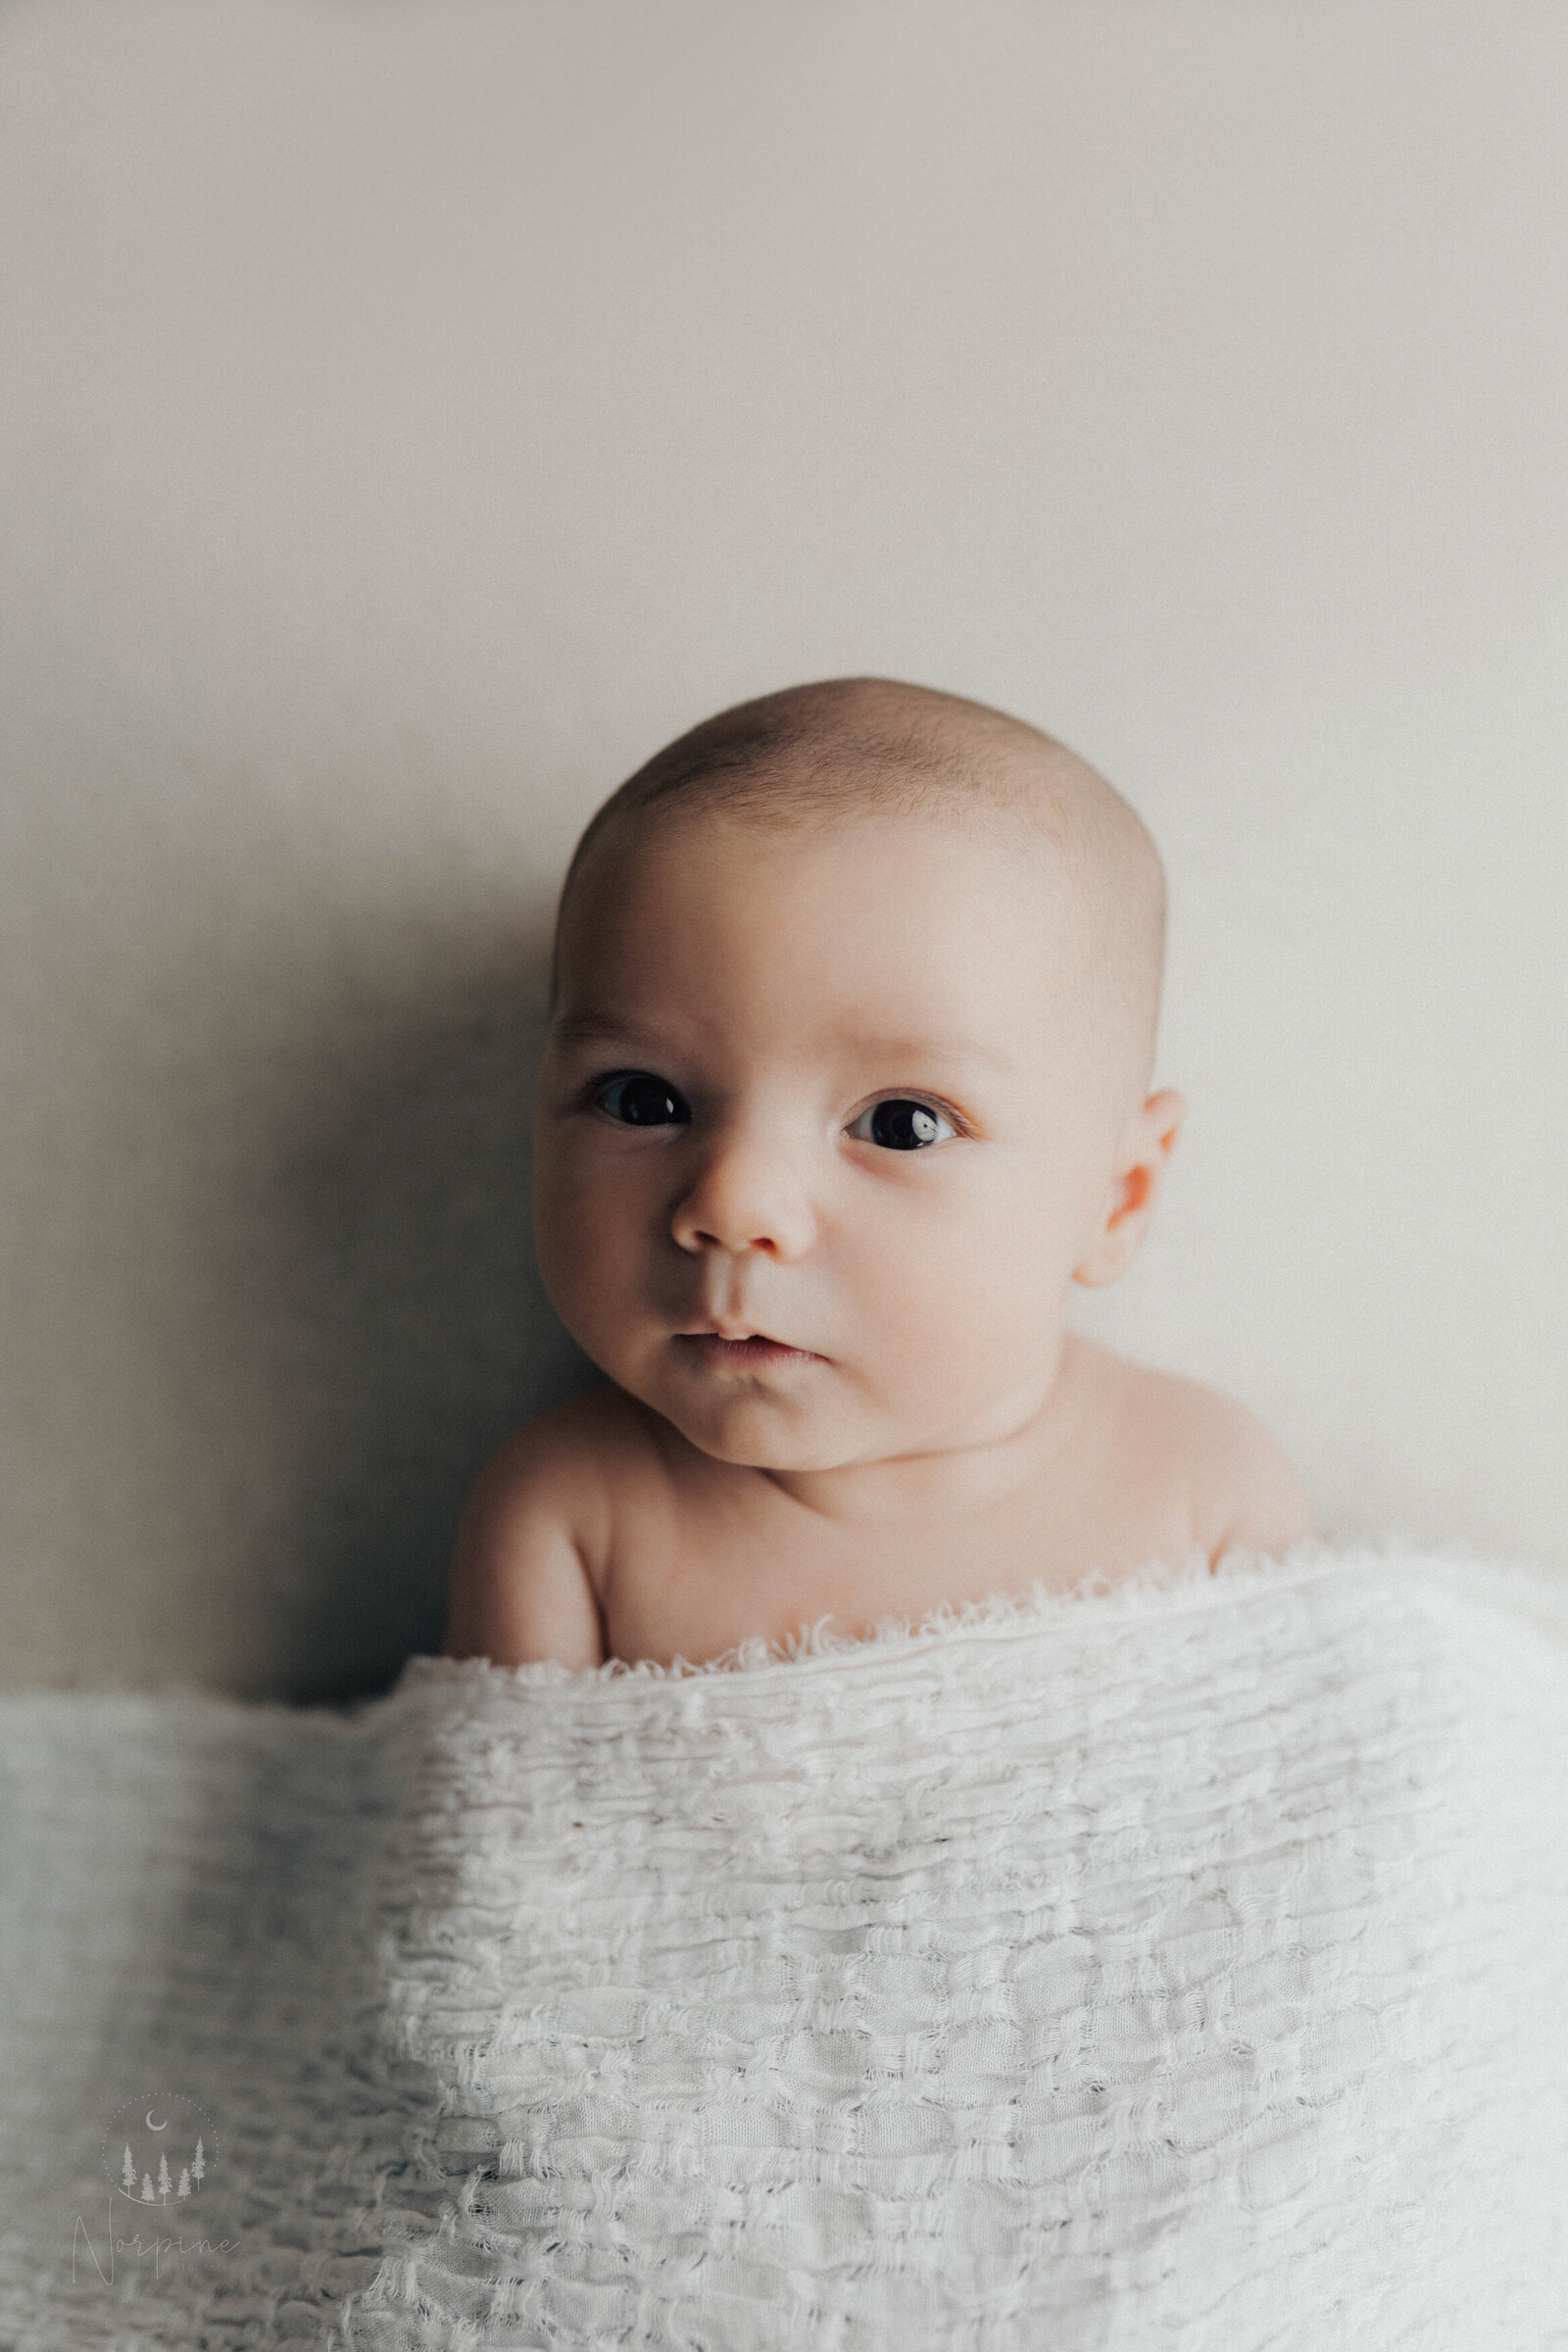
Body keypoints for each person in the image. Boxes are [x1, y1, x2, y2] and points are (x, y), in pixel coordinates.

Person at [444, 677, 1313, 1671]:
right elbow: (503, 1816)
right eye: (645, 1102)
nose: (732, 1203)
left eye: (902, 1125)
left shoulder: (1202, 1489)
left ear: (1119, 1200)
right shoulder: (571, 1518)